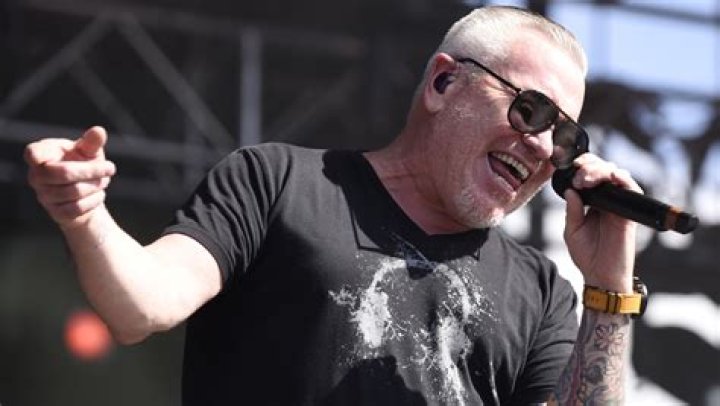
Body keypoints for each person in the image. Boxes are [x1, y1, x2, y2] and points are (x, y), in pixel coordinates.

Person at [24, 6, 642, 405]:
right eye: (530, 110)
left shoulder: (540, 291)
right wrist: (85, 216)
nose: (543, 147)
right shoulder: (277, 183)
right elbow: (141, 306)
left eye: (566, 138)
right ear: (443, 82)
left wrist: (610, 292)